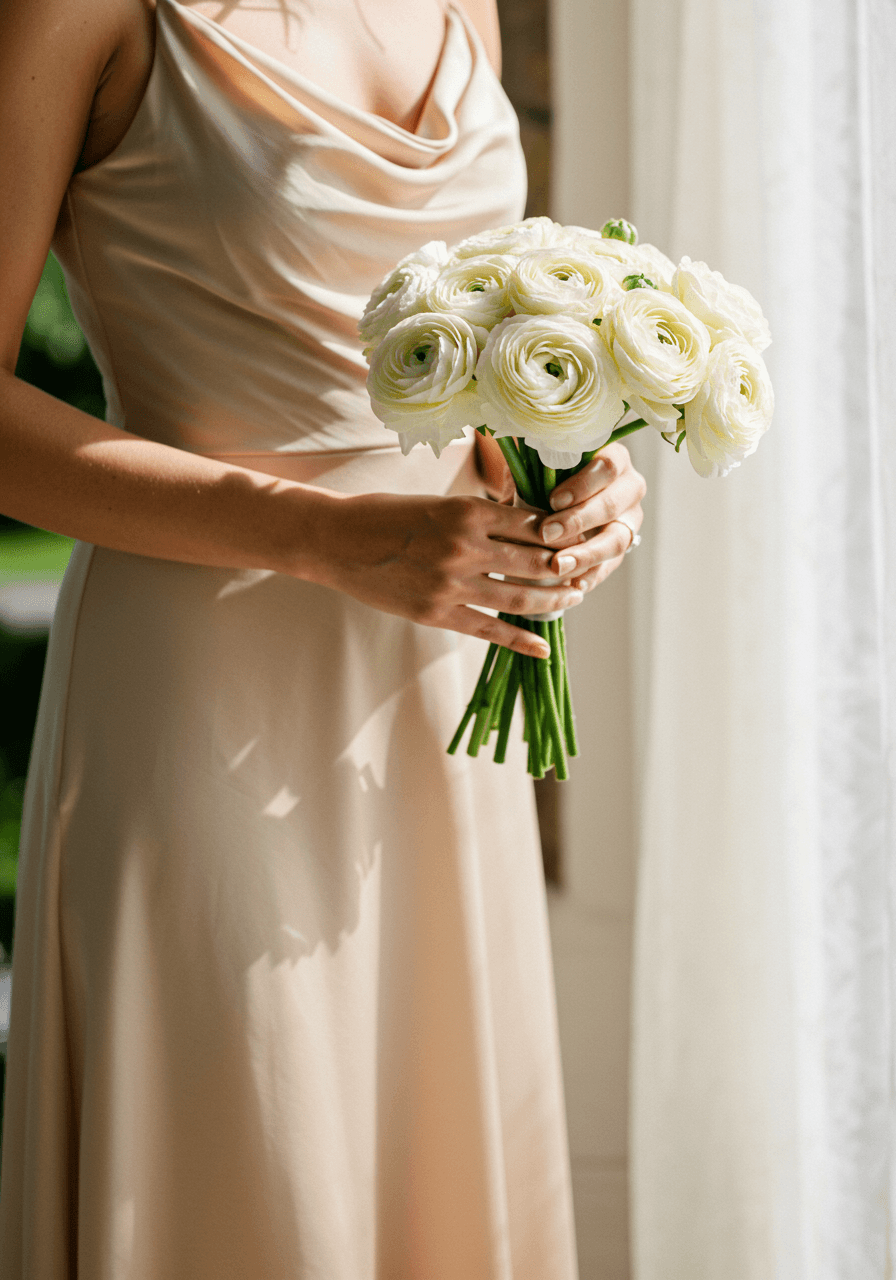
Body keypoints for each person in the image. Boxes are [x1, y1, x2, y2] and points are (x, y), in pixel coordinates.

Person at [0, 0, 646, 1274]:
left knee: (428, 1159)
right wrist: (325, 535)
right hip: (205, 690)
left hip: (442, 689)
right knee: (248, 1157)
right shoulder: (81, 13)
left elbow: (456, 362)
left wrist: (572, 473)